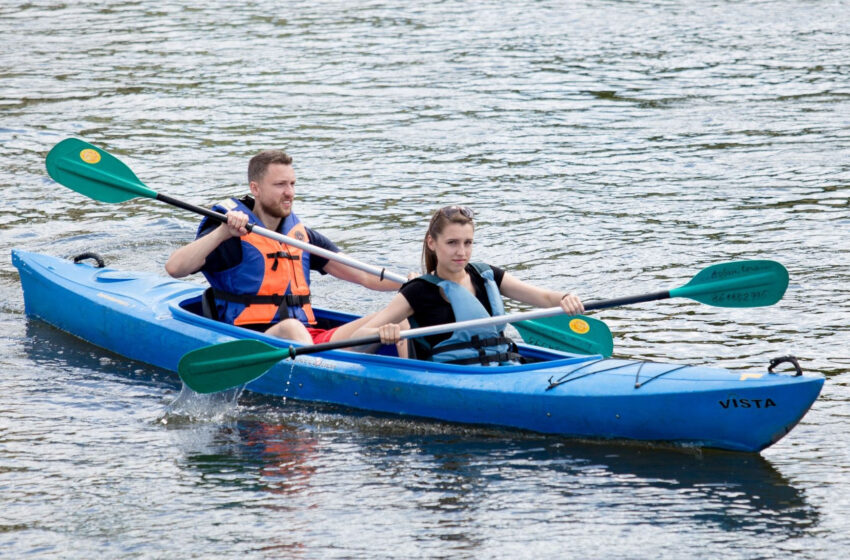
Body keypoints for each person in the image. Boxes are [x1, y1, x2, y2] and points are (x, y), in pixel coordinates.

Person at [165, 149, 401, 344]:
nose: (289, 193)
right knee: (291, 328)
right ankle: (319, 372)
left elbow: (366, 277)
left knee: (396, 319)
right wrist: (222, 233)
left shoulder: (301, 237)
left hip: (307, 340)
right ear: (255, 189)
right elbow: (175, 268)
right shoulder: (230, 235)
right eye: (280, 185)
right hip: (253, 340)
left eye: (292, 184)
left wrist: (415, 283)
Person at [346, 205, 585, 364]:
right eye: (452, 243)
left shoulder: (487, 275)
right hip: (454, 377)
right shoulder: (418, 291)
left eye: (468, 243)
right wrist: (382, 332)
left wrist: (565, 297)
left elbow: (543, 298)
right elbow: (358, 338)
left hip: (504, 367)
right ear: (432, 242)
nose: (461, 252)